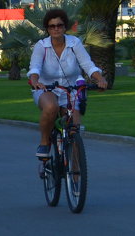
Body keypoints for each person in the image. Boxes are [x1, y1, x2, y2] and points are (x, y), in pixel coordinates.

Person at [27, 9, 108, 158]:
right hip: (46, 88)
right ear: (47, 29)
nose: (56, 28)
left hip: (70, 90)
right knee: (52, 107)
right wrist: (35, 81)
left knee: (74, 130)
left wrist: (100, 79)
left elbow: (87, 65)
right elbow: (35, 68)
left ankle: (75, 177)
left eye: (59, 25)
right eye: (52, 26)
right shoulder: (41, 46)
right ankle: (45, 142)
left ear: (65, 27)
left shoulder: (74, 43)